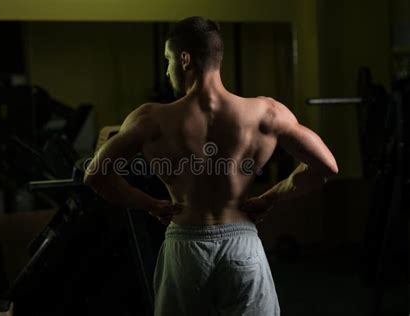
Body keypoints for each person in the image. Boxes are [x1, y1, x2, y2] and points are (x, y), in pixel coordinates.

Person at [84, 16, 338, 316]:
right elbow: (326, 167)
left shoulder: (150, 119)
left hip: (185, 246)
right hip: (242, 245)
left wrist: (151, 204)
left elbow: (96, 176)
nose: (167, 71)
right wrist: (270, 198)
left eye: (168, 61)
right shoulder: (266, 112)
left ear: (185, 59)